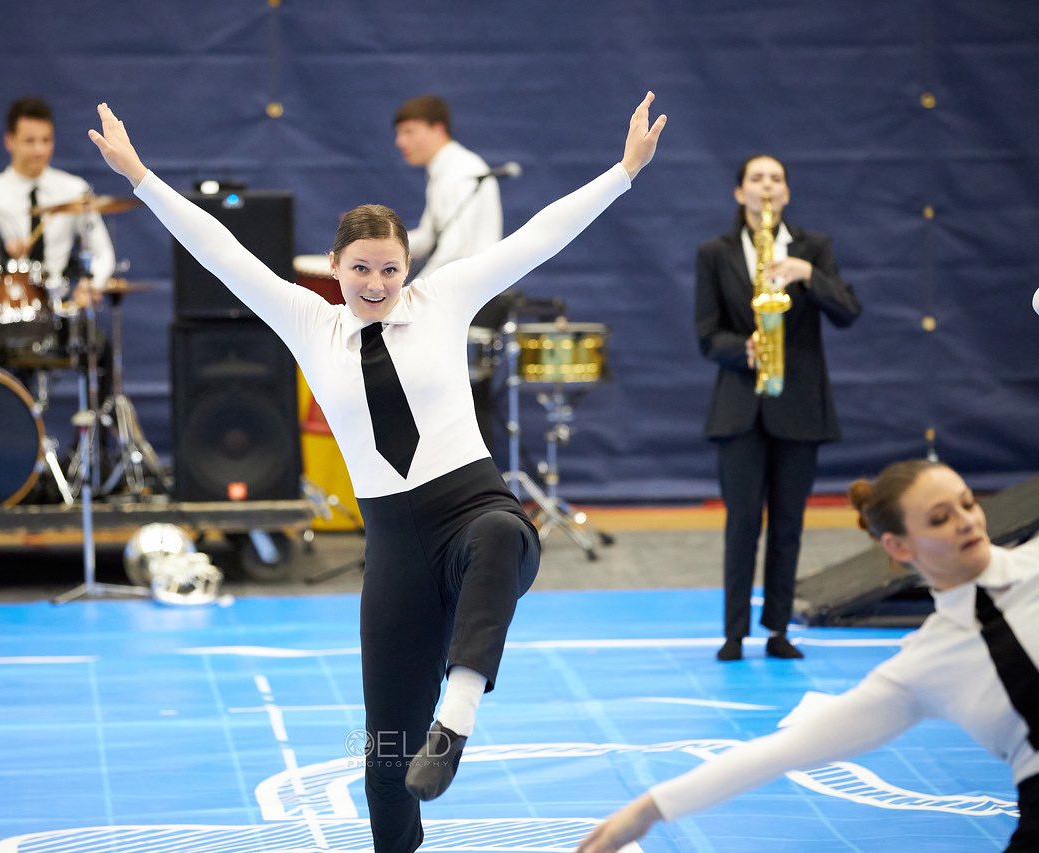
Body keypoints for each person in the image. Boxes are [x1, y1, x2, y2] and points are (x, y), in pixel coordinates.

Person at [89, 92, 666, 853]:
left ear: (408, 267)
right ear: (333, 268)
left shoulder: (443, 299)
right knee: (387, 755)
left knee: (502, 535)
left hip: (473, 507)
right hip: (394, 542)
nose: (375, 281)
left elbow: (538, 235)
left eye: (390, 268)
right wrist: (140, 177)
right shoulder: (309, 322)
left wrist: (623, 172)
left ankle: (456, 719)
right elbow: (219, 249)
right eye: (360, 268)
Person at [578, 458, 1039, 852]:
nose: (966, 521)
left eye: (968, 503)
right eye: (939, 518)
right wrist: (646, 810)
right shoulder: (922, 665)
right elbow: (781, 751)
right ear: (898, 546)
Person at [696, 154, 862, 661]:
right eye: (756, 178)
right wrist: (741, 349)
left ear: (787, 192)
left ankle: (778, 629)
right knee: (742, 523)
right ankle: (733, 632)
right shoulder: (715, 252)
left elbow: (848, 312)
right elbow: (707, 335)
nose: (766, 186)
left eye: (776, 179)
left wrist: (807, 274)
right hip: (740, 409)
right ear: (739, 192)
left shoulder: (814, 248)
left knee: (789, 524)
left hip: (800, 405)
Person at [0, 97, 116, 366]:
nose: (39, 150)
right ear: (9, 141)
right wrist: (3, 253)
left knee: (100, 346)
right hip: (8, 310)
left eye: (46, 140)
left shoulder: (75, 191)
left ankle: (100, 397)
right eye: (30, 141)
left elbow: (103, 253)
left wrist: (92, 284)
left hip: (59, 311)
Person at [394, 95, 507, 449]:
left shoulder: (461, 170)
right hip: (460, 296)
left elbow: (456, 247)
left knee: (466, 397)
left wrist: (410, 293)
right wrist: (379, 242)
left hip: (474, 299)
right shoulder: (442, 171)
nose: (400, 142)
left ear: (437, 128)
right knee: (458, 396)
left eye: (409, 131)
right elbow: (430, 238)